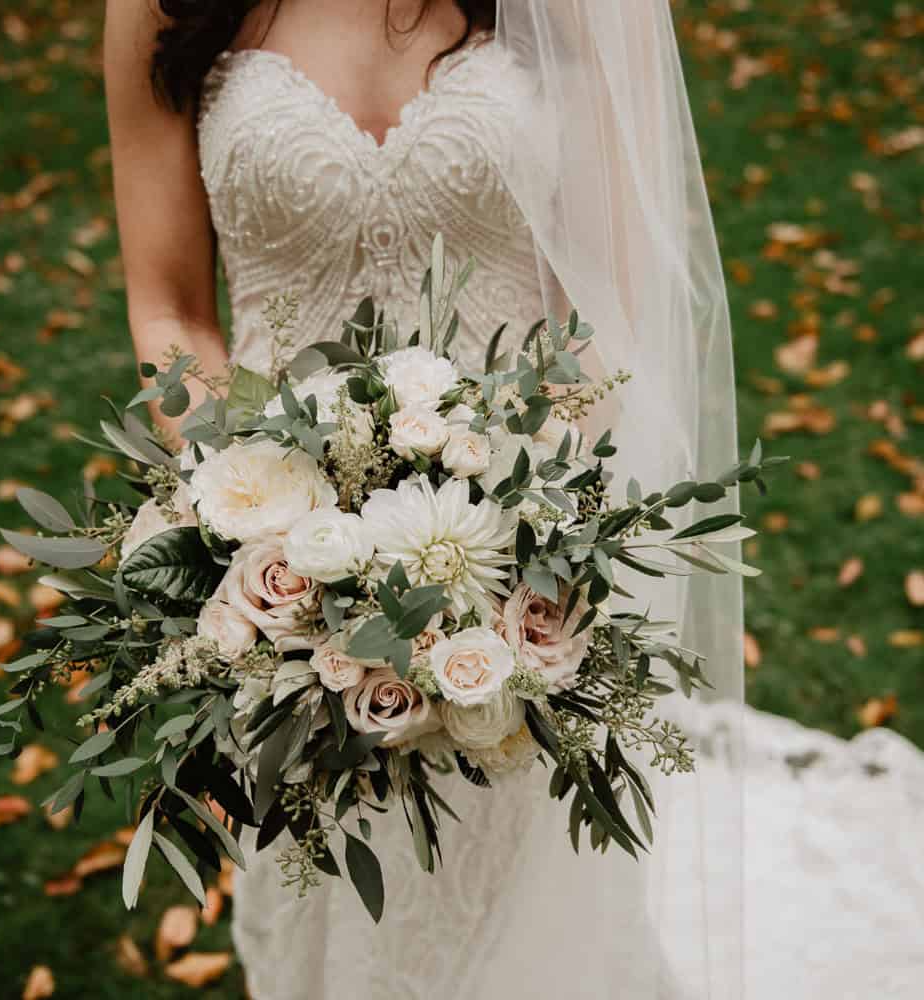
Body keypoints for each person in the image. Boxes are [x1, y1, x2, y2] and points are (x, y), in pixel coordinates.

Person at [104, 2, 924, 997]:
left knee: (526, 905)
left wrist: (521, 525)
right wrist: (246, 519)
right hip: (285, 572)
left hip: (520, 555)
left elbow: (599, 310)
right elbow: (172, 307)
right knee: (336, 887)